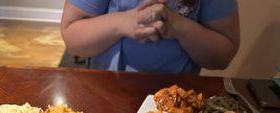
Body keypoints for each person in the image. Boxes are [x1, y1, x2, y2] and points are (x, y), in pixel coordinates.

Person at [61, 0, 240, 73]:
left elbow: (223, 56)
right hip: (107, 92)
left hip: (181, 103)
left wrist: (180, 27)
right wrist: (123, 22)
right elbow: (72, 38)